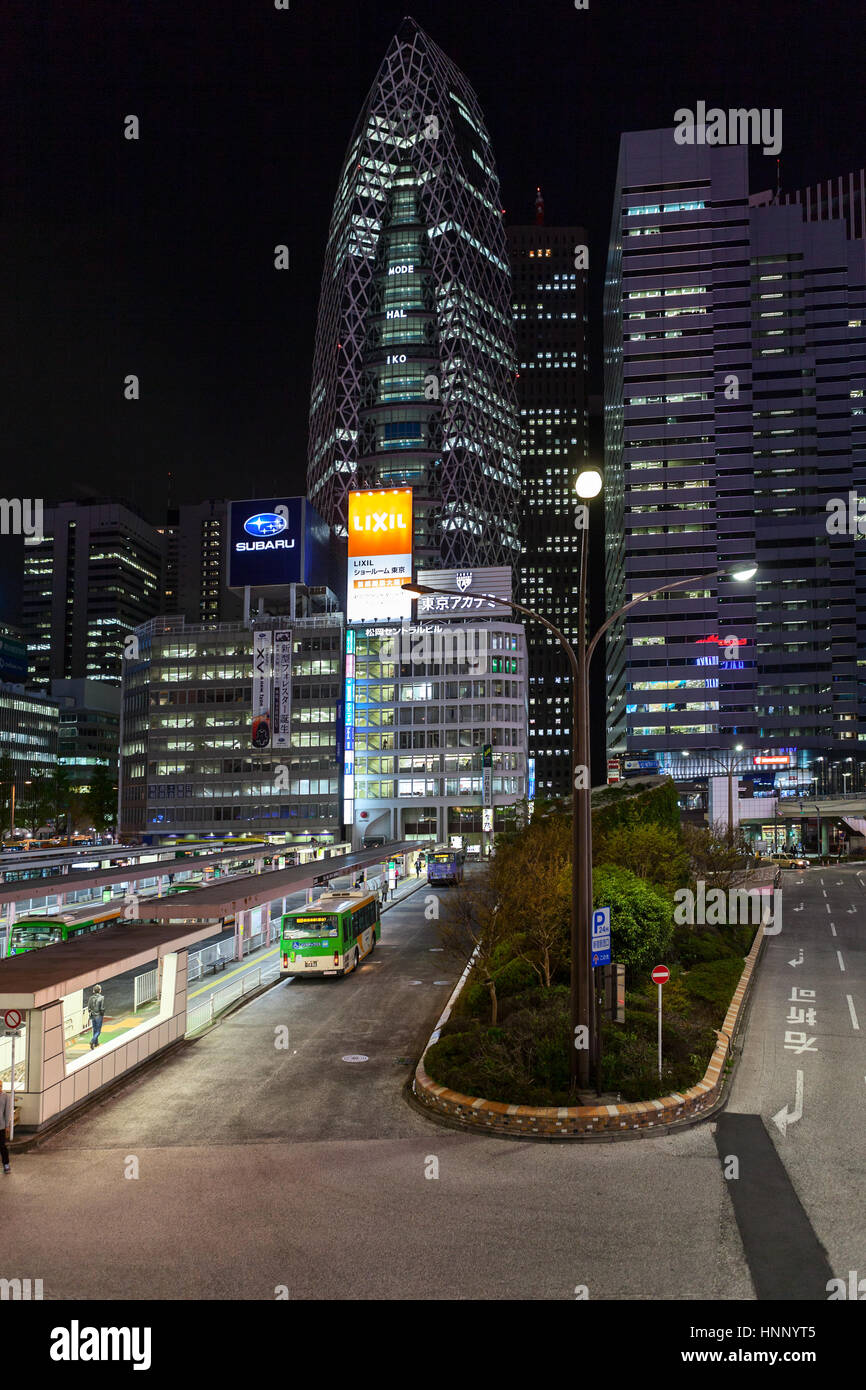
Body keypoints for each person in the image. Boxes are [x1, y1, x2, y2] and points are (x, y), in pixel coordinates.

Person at [87, 984, 106, 1049]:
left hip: (92, 1015)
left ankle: (96, 1043)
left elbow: (89, 1008)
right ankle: (92, 1041)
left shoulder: (90, 998)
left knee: (94, 1029)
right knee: (98, 1031)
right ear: (100, 990)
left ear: (93, 991)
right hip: (99, 1015)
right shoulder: (101, 998)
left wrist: (91, 1012)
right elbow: (102, 1008)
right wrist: (102, 1014)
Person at [0, 1088, 10, 1174]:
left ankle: (6, 1164)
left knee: (2, 1146)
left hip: (1, 1126)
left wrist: (7, 1125)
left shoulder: (6, 1096)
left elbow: (7, 1112)